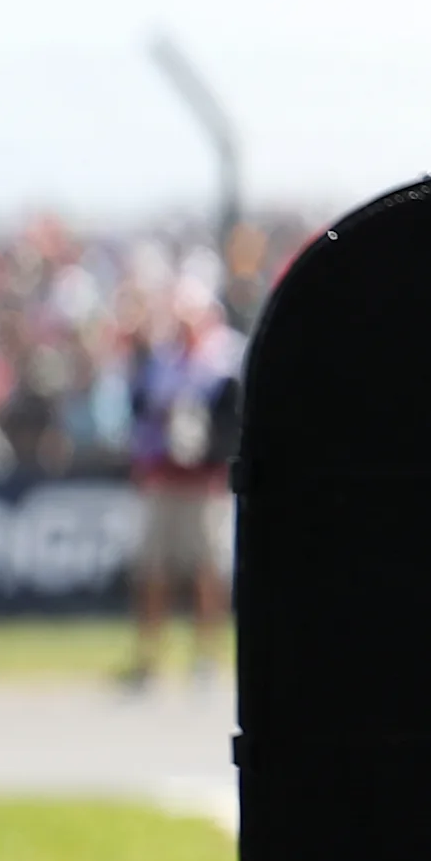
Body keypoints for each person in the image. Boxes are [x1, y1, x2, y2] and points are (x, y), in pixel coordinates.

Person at [122, 285, 243, 689]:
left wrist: (212, 448)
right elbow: (140, 413)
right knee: (154, 568)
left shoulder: (224, 360)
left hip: (205, 482)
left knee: (207, 568)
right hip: (164, 477)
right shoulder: (162, 361)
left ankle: (206, 656)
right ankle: (149, 656)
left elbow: (232, 420)